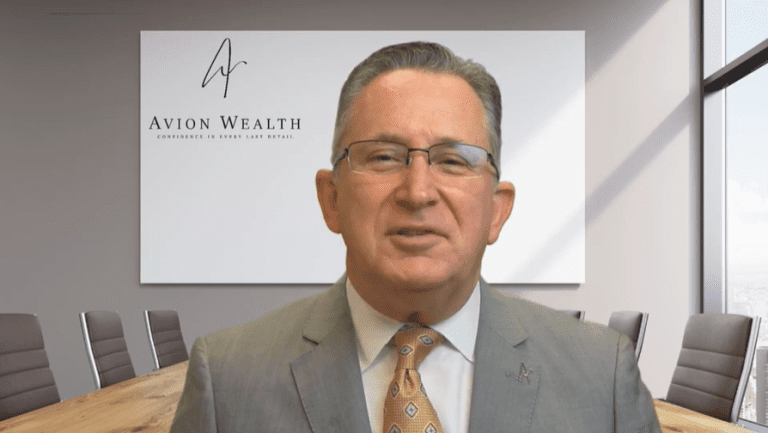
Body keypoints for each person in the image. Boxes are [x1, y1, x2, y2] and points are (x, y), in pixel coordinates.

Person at [170, 41, 660, 433]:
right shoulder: (228, 378)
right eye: (383, 156)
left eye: (453, 160)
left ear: (497, 209)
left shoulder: (603, 375)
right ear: (331, 199)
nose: (418, 191)